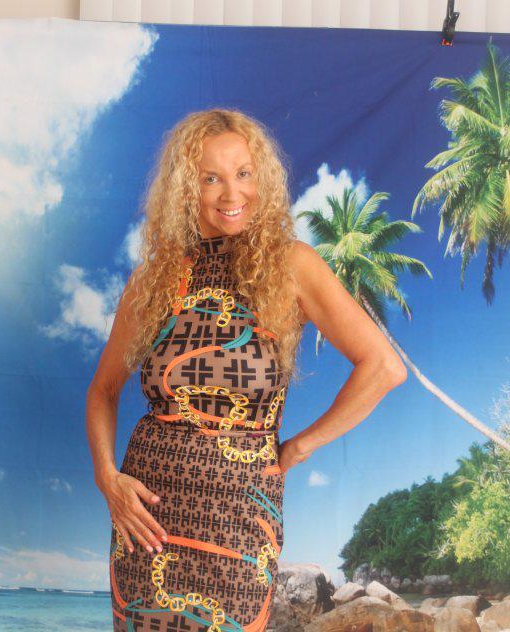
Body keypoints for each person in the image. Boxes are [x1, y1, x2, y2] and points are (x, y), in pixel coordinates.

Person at [85, 108, 407, 631]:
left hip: (241, 515)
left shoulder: (291, 265)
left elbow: (384, 367)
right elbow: (103, 390)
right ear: (185, 188)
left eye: (243, 173)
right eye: (210, 178)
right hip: (147, 517)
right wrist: (107, 478)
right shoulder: (154, 278)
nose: (231, 193)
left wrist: (298, 448)